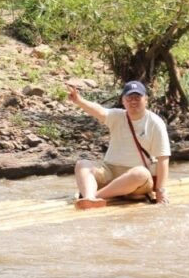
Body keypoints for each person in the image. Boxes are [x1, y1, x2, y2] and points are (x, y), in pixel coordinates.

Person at [66, 80, 171, 210]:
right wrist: (78, 100)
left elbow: (163, 158)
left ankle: (95, 197)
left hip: (135, 179)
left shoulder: (155, 123)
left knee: (140, 173)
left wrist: (161, 190)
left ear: (146, 100)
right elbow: (99, 111)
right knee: (82, 164)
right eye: (129, 98)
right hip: (109, 171)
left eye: (137, 97)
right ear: (123, 101)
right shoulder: (117, 116)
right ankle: (89, 197)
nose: (133, 101)